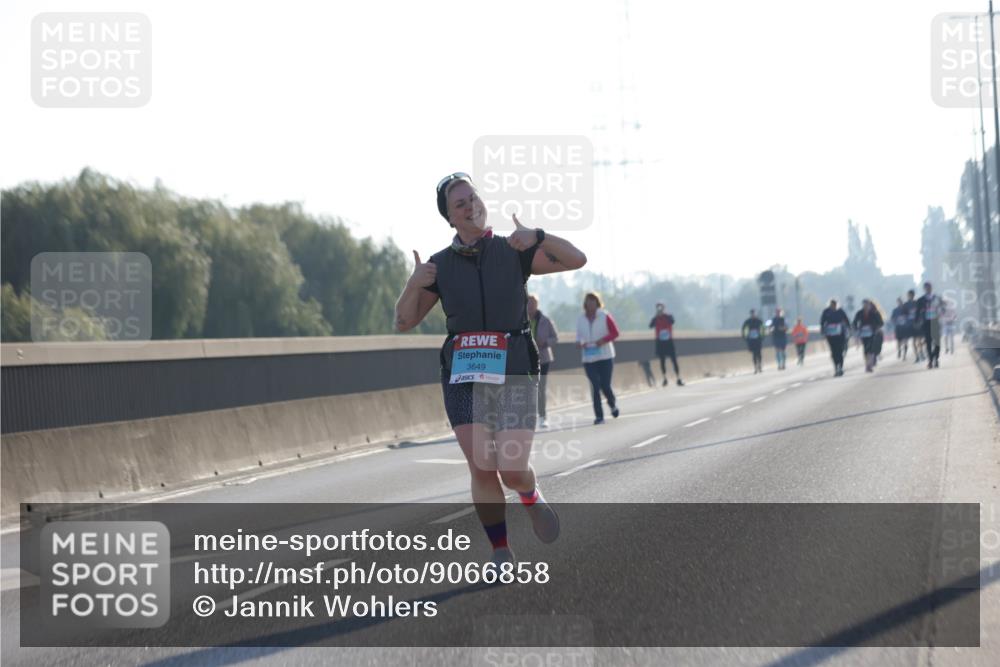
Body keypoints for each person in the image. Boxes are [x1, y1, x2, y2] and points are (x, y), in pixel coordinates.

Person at [394, 172, 586, 568]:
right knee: (482, 465)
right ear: (449, 218)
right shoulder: (440, 266)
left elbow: (576, 259)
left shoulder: (513, 250)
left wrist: (539, 236)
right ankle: (500, 549)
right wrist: (414, 284)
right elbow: (403, 321)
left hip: (514, 366)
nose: (470, 207)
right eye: (460, 204)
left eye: (473, 198)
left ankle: (529, 494)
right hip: (463, 374)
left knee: (512, 470)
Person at [577, 292, 621, 425]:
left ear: (597, 303)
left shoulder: (604, 315)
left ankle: (612, 404)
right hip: (589, 358)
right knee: (594, 386)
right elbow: (579, 335)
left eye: (593, 301)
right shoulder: (580, 318)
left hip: (605, 356)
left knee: (605, 385)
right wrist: (580, 342)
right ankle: (599, 416)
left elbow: (615, 333)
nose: (590, 304)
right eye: (588, 301)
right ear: (585, 304)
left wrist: (604, 340)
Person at [527, 294, 558, 429]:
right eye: (529, 303)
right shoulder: (520, 319)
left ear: (537, 305)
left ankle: (542, 416)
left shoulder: (545, 320)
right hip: (526, 359)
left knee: (540, 388)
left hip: (543, 359)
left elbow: (555, 337)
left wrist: (545, 342)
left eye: (534, 303)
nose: (531, 306)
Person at [649, 303, 684, 386]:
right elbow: (650, 326)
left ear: (664, 308)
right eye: (658, 308)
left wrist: (664, 315)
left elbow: (672, 321)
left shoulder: (668, 316)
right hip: (660, 342)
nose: (660, 310)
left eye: (661, 308)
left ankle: (678, 378)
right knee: (662, 361)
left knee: (674, 360)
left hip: (669, 341)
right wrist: (656, 317)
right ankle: (665, 378)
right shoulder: (655, 318)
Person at [820, 298, 851, 376]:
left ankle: (840, 367)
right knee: (833, 352)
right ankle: (836, 367)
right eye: (832, 304)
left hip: (840, 335)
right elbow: (822, 322)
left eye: (834, 304)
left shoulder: (840, 311)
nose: (833, 306)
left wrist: (849, 329)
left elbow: (847, 320)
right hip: (830, 335)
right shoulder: (826, 312)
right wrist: (823, 330)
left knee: (840, 351)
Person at [852, 298, 885, 372]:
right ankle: (867, 364)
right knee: (865, 350)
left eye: (867, 304)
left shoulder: (874, 313)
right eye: (864, 304)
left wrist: (875, 328)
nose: (865, 306)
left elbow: (881, 323)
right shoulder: (859, 313)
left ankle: (868, 365)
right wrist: (856, 329)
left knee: (870, 349)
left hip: (873, 333)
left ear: (869, 305)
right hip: (863, 334)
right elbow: (854, 323)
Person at [916, 281, 943, 369]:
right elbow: (917, 312)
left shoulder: (937, 298)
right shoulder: (920, 300)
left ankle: (936, 358)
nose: (928, 289)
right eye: (926, 288)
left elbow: (943, 308)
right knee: (928, 343)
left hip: (935, 321)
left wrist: (940, 313)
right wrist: (916, 321)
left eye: (929, 287)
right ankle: (930, 360)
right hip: (926, 323)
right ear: (924, 289)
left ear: (932, 288)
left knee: (937, 343)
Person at [902, 290, 924, 363]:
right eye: (909, 295)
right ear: (908, 296)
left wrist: (920, 321)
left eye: (911, 295)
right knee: (914, 341)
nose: (910, 296)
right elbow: (903, 315)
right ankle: (917, 356)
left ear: (913, 295)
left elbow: (921, 313)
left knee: (919, 340)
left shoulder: (917, 303)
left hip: (917, 324)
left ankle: (921, 353)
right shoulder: (905, 305)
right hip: (910, 325)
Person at [741, 309, 766, 374]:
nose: (753, 315)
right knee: (754, 354)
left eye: (753, 313)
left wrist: (762, 336)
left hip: (758, 339)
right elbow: (743, 328)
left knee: (759, 353)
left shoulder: (759, 321)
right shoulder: (748, 321)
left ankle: (759, 365)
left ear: (755, 314)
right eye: (752, 314)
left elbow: (763, 328)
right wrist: (745, 337)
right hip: (751, 340)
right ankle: (755, 367)